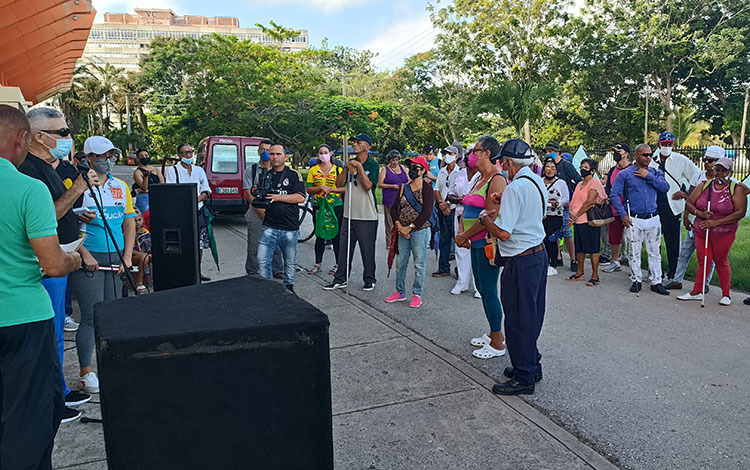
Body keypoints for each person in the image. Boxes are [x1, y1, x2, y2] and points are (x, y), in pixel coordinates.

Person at [0, 105, 82, 470]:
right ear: (22, 139)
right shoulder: (27, 188)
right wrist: (74, 260)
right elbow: (51, 263)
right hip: (22, 318)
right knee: (28, 418)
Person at [19, 107, 92, 421]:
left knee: (57, 335)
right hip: (47, 262)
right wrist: (78, 188)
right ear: (38, 136)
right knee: (49, 334)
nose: (68, 137)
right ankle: (52, 399)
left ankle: (60, 388)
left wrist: (76, 214)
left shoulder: (49, 166)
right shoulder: (28, 169)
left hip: (61, 257)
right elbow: (45, 214)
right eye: (61, 132)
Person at [480, 139, 547, 395]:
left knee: (518, 318)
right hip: (536, 255)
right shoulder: (535, 181)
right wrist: (505, 198)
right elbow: (535, 214)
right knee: (531, 314)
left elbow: (504, 234)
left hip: (520, 259)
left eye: (502, 162)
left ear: (508, 163)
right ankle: (530, 362)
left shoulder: (515, 188)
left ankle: (524, 375)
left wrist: (486, 219)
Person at [69, 136, 136, 394]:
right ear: (89, 159)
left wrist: (127, 256)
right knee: (90, 316)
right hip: (90, 258)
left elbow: (129, 222)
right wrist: (83, 252)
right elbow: (66, 224)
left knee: (112, 315)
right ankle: (86, 371)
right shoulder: (76, 186)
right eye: (103, 156)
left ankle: (112, 363)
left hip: (116, 257)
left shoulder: (121, 186)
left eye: (112, 155)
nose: (109, 160)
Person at [454, 136, 507, 359]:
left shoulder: (496, 179)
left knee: (487, 290)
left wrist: (465, 234)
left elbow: (488, 217)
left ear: (487, 153)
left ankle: (497, 341)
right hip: (471, 240)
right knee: (483, 289)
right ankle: (493, 332)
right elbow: (467, 206)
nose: (471, 155)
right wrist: (461, 232)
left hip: (485, 242)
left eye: (475, 150)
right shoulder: (478, 177)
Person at [679, 157, 746, 305]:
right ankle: (697, 291)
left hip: (724, 233)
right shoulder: (704, 185)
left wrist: (716, 222)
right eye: (717, 170)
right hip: (702, 231)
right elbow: (690, 203)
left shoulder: (736, 188)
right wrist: (699, 213)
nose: (720, 173)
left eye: (723, 171)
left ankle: (726, 294)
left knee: (721, 261)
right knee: (704, 261)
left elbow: (740, 212)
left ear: (730, 172)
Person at [610, 144, 670, 295]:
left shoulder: (655, 172)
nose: (648, 158)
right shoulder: (625, 174)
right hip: (634, 218)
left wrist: (648, 176)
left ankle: (656, 281)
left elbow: (665, 188)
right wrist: (622, 214)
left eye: (650, 155)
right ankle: (636, 279)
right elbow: (614, 194)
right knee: (634, 251)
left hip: (652, 217)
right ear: (636, 155)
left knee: (655, 252)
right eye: (644, 155)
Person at [324, 133, 380, 291]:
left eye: (358, 142)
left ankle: (369, 278)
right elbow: (339, 183)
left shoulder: (373, 165)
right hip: (349, 213)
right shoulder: (348, 164)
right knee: (344, 248)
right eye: (354, 142)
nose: (354, 145)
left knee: (367, 249)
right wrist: (346, 169)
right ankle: (340, 278)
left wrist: (359, 168)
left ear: (367, 147)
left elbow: (368, 186)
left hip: (366, 214)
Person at [671, 147, 725, 290]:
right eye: (705, 160)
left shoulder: (725, 181)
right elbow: (690, 199)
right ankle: (677, 280)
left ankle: (704, 283)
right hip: (696, 220)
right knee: (685, 251)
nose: (706, 163)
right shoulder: (698, 177)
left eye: (710, 161)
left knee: (709, 255)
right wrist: (686, 216)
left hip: (713, 223)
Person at [650, 132, 700, 286]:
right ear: (659, 145)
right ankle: (655, 273)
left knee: (673, 243)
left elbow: (697, 176)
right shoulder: (651, 161)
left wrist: (687, 194)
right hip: (654, 207)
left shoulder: (680, 160)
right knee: (654, 243)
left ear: (673, 145)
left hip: (673, 208)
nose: (666, 147)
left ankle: (673, 275)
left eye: (669, 144)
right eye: (664, 144)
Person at [255, 144, 307, 292]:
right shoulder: (266, 174)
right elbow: (261, 197)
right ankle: (268, 289)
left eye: (278, 154)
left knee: (289, 262)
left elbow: (300, 197)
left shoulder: (293, 175)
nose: (275, 157)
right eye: (272, 154)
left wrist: (279, 197)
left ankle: (289, 287)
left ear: (285, 156)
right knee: (262, 260)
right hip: (269, 225)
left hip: (289, 227)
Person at [385, 156, 435, 307]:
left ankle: (417, 293)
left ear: (423, 171)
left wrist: (410, 227)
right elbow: (394, 209)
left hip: (419, 230)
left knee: (419, 263)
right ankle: (399, 291)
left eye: (416, 168)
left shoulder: (427, 189)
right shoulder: (404, 187)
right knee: (401, 263)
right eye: (411, 167)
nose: (412, 170)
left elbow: (427, 212)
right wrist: (399, 225)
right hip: (402, 231)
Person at [165, 143, 212, 281]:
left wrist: (196, 200)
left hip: (198, 210)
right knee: (183, 241)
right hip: (181, 211)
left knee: (200, 243)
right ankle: (184, 270)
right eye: (185, 153)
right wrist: (188, 202)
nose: (188, 155)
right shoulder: (173, 171)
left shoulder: (199, 170)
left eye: (190, 152)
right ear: (179, 155)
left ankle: (198, 271)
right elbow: (172, 192)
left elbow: (206, 190)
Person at [243, 139, 283, 278]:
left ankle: (277, 269)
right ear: (258, 151)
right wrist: (258, 209)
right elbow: (247, 192)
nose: (265, 153)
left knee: (276, 244)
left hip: (274, 212)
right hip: (255, 214)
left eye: (268, 150)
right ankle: (252, 272)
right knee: (254, 245)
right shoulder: (251, 170)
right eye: (263, 150)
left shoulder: (278, 170)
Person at [566, 158, 607, 286]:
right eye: (582, 166)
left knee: (593, 248)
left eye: (586, 167)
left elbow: (589, 202)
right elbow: (575, 200)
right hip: (577, 221)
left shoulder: (594, 183)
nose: (582, 169)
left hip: (588, 220)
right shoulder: (579, 184)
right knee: (580, 249)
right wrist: (572, 214)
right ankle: (580, 272)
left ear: (593, 171)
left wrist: (575, 215)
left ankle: (595, 275)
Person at [306, 144, 345, 275]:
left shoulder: (338, 170)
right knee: (320, 235)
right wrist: (320, 188)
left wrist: (331, 189)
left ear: (331, 154)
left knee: (336, 235)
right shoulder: (313, 170)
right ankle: (318, 264)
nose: (323, 155)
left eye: (325, 152)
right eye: (320, 152)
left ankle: (339, 264)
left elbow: (345, 188)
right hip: (319, 206)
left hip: (335, 206)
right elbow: (309, 189)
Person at [447, 153, 481, 297]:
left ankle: (479, 286)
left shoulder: (482, 176)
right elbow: (449, 195)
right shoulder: (458, 174)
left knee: (477, 251)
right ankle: (462, 282)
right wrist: (458, 199)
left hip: (477, 218)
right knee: (461, 249)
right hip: (461, 215)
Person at [545, 141, 581, 271]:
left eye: (551, 151)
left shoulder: (566, 165)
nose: (548, 154)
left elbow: (578, 181)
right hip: (549, 207)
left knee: (567, 232)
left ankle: (573, 258)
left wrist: (572, 199)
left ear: (557, 152)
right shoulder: (547, 167)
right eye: (547, 152)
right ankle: (557, 257)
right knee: (553, 233)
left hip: (564, 205)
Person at [602, 143, 632, 273]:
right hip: (615, 208)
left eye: (618, 151)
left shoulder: (633, 169)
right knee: (614, 236)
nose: (616, 154)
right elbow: (609, 188)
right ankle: (615, 261)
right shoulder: (613, 170)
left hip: (630, 209)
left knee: (633, 237)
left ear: (626, 153)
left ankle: (634, 263)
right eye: (614, 151)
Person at [433, 145, 460, 277]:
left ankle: (460, 270)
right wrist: (440, 203)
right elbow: (437, 189)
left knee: (457, 239)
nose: (447, 155)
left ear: (456, 156)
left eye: (450, 153)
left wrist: (447, 204)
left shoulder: (460, 172)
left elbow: (458, 192)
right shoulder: (442, 171)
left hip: (454, 209)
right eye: (445, 153)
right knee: (443, 238)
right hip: (442, 208)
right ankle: (443, 267)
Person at [541, 157, 569, 276]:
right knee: (541, 238)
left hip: (556, 215)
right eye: (548, 167)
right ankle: (544, 263)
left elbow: (566, 199)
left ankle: (553, 264)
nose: (550, 170)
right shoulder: (539, 181)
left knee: (551, 238)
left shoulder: (561, 183)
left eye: (553, 168)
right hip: (542, 215)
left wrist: (557, 203)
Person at [378, 149, 408, 249]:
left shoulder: (403, 168)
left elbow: (408, 180)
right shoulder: (385, 170)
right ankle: (389, 242)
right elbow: (380, 184)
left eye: (396, 160)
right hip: (390, 198)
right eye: (393, 160)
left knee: (402, 219)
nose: (395, 162)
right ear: (389, 160)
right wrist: (391, 186)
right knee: (390, 221)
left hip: (402, 198)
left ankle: (400, 241)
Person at [132, 148, 164, 213]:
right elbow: (144, 188)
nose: (144, 157)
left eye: (146, 155)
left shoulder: (156, 169)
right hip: (144, 199)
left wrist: (149, 190)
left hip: (157, 196)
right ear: (138, 158)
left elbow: (162, 184)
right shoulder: (137, 172)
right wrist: (145, 177)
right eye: (141, 156)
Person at [131, 209, 152, 293]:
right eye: (134, 220)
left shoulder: (146, 232)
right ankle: (139, 283)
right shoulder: (126, 233)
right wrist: (143, 254)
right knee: (144, 257)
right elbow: (127, 250)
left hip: (146, 254)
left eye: (139, 220)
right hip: (132, 256)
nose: (137, 222)